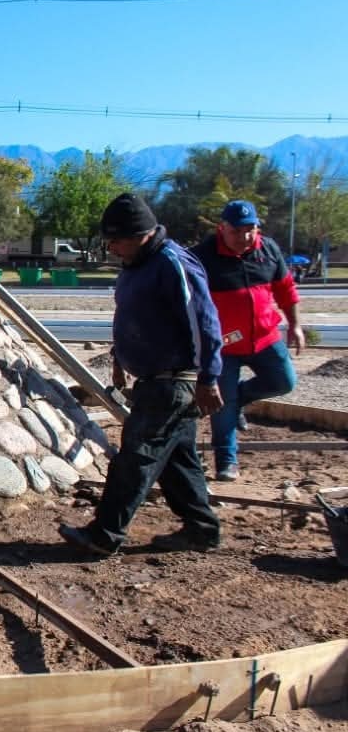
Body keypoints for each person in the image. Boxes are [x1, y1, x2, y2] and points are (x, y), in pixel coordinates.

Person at [59, 193, 225, 556]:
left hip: (174, 382)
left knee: (135, 457)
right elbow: (134, 318)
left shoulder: (173, 264)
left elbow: (204, 324)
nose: (111, 248)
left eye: (116, 240)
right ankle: (201, 530)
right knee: (177, 463)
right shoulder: (136, 264)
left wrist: (209, 377)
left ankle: (104, 535)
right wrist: (120, 357)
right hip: (154, 379)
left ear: (141, 234)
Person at [192, 200, 303, 482]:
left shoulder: (268, 249)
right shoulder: (202, 256)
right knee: (222, 404)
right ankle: (226, 460)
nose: (245, 236)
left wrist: (295, 325)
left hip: (265, 338)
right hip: (222, 346)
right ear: (222, 228)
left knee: (284, 381)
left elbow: (285, 289)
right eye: (236, 231)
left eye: (250, 229)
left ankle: (239, 399)